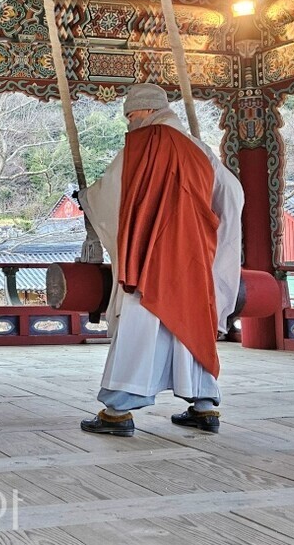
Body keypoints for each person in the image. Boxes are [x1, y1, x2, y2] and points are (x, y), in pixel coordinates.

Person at [76, 83, 243, 436]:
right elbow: (231, 194)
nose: (129, 124)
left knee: (142, 324)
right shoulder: (199, 149)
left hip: (151, 253)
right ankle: (204, 406)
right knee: (192, 323)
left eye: (131, 115)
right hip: (194, 255)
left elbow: (113, 194)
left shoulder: (143, 143)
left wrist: (86, 199)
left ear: (146, 111)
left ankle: (118, 411)